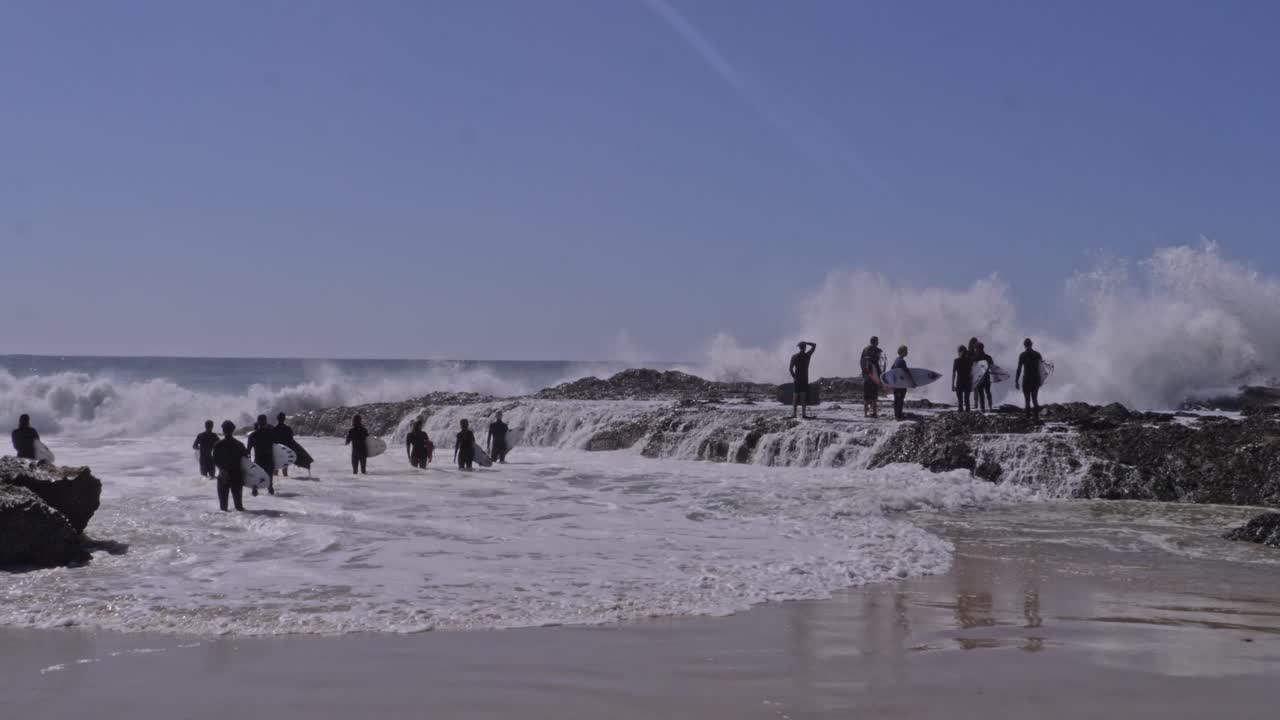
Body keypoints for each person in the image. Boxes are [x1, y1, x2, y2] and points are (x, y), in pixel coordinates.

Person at [212, 420, 247, 512]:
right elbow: (246, 462)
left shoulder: (218, 445)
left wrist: (222, 470)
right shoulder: (240, 445)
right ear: (233, 430)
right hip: (237, 476)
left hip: (223, 475)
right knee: (239, 506)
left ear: (223, 430)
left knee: (223, 508)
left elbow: (215, 460)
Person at [246, 415, 276, 496]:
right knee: (269, 478)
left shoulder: (253, 435)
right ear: (266, 422)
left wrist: (246, 462)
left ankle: (255, 490)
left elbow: (248, 450)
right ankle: (270, 491)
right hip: (269, 458)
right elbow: (277, 446)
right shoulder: (271, 433)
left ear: (258, 423)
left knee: (256, 476)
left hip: (258, 458)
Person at [1015, 338, 1044, 421]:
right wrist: (1041, 380)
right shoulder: (1037, 354)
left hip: (1026, 380)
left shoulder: (1022, 355)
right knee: (1035, 399)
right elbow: (1042, 369)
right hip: (1035, 380)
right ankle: (1036, 417)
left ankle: (1028, 417)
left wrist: (1016, 381)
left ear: (1024, 345)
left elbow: (1019, 369)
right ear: (1031, 344)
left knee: (1027, 400)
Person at [789, 341, 817, 420]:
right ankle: (804, 414)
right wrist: (806, 342)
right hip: (804, 379)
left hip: (797, 380)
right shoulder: (807, 355)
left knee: (795, 397)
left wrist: (794, 377)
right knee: (803, 397)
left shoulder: (794, 356)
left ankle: (794, 414)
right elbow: (814, 345)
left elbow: (790, 369)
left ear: (799, 347)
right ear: (805, 347)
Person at [860, 337, 885, 418]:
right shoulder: (878, 350)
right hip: (874, 376)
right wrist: (881, 375)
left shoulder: (865, 350)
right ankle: (874, 413)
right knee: (874, 396)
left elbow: (861, 361)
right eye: (877, 341)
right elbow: (880, 364)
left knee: (866, 396)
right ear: (876, 342)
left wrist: (864, 372)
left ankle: (865, 414)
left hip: (866, 375)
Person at [891, 345, 916, 421]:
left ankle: (897, 415)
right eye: (906, 351)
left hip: (896, 384)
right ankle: (898, 416)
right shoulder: (902, 361)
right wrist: (912, 382)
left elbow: (892, 370)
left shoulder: (896, 360)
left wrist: (892, 382)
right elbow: (907, 373)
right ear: (902, 352)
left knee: (897, 399)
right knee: (900, 400)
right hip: (901, 384)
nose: (907, 352)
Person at [975, 342, 995, 412]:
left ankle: (983, 408)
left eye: (976, 349)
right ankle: (990, 406)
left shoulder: (975, 358)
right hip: (987, 377)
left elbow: (973, 369)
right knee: (988, 392)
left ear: (978, 349)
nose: (975, 350)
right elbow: (992, 367)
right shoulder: (988, 357)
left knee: (981, 394)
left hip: (980, 378)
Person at [951, 346, 972, 412]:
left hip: (963, 381)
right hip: (963, 381)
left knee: (965, 399)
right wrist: (952, 384)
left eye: (963, 351)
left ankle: (965, 412)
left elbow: (972, 373)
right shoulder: (958, 360)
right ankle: (964, 412)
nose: (962, 353)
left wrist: (952, 384)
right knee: (962, 399)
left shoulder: (967, 360)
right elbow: (954, 373)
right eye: (961, 351)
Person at [273, 412, 294, 477]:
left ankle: (277, 482)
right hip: (286, 451)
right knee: (285, 470)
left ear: (277, 419)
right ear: (284, 419)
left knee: (276, 470)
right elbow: (291, 441)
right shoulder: (288, 429)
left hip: (277, 451)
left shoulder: (274, 429)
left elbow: (272, 442)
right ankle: (285, 480)